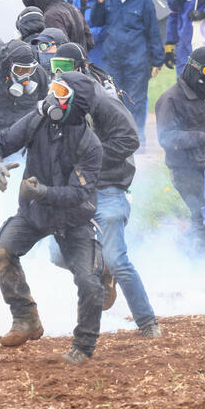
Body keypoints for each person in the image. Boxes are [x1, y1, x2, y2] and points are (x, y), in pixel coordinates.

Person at [0, 72, 104, 365]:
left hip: (73, 220)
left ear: (76, 104)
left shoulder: (90, 145)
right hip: (34, 213)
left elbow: (78, 193)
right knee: (2, 250)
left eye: (60, 93)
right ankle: (26, 319)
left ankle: (84, 345)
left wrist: (42, 193)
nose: (50, 97)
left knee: (89, 283)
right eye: (53, 88)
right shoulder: (37, 120)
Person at [49, 42, 160, 339]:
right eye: (55, 68)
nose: (59, 74)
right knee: (57, 254)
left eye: (65, 68)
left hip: (109, 187)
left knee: (117, 259)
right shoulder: (54, 100)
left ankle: (147, 322)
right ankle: (101, 270)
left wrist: (90, 159)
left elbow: (130, 140)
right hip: (75, 190)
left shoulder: (102, 99)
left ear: (81, 68)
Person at [89, 0, 164, 139]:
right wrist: (99, 3)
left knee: (136, 100)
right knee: (113, 99)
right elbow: (96, 21)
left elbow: (153, 31)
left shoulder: (144, 1)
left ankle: (137, 139)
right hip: (112, 59)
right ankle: (118, 139)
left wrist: (158, 60)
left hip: (137, 60)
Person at [156, 47, 205, 254]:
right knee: (203, 214)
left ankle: (182, 250)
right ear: (194, 69)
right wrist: (200, 138)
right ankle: (191, 261)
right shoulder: (170, 99)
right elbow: (165, 137)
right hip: (184, 169)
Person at [25, 0, 93, 52]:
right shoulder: (73, 8)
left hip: (64, 60)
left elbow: (56, 48)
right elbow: (90, 42)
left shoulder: (51, 15)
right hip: (81, 58)